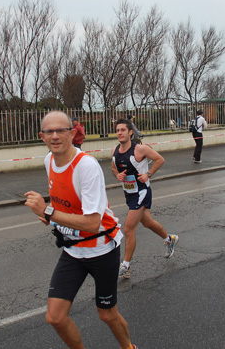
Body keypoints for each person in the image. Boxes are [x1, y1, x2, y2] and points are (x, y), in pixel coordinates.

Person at [24, 111, 136, 349]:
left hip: (102, 249)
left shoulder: (86, 166)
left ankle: (129, 347)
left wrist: (48, 212)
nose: (55, 136)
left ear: (72, 133)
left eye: (61, 131)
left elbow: (91, 223)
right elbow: (63, 205)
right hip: (74, 251)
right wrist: (50, 218)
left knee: (107, 314)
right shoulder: (49, 161)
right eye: (49, 132)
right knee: (55, 316)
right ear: (41, 136)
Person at [111, 119, 178, 279]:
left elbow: (160, 159)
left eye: (123, 130)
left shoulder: (140, 149)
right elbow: (113, 168)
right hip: (129, 193)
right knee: (147, 222)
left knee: (128, 229)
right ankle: (170, 239)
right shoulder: (115, 150)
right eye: (118, 130)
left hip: (142, 193)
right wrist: (117, 175)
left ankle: (126, 266)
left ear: (130, 132)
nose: (120, 133)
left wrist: (148, 174)